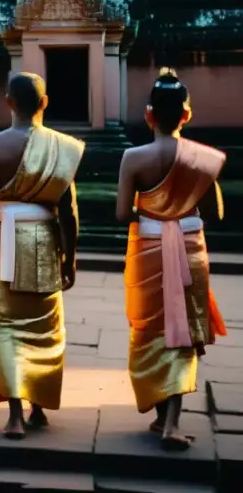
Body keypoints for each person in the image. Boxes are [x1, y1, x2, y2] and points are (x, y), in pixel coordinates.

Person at [116, 68, 227, 450]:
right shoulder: (203, 159)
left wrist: (154, 217)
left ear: (149, 115)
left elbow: (120, 214)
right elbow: (216, 214)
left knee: (150, 330)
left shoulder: (133, 157)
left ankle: (164, 416)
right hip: (189, 248)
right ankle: (171, 421)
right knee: (181, 332)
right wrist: (180, 216)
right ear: (187, 114)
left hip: (147, 251)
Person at [0, 72, 83, 440]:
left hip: (2, 238)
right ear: (44, 103)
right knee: (44, 325)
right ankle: (37, 407)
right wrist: (70, 256)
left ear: (8, 101)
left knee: (6, 324)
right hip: (47, 240)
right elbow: (68, 210)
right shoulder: (63, 146)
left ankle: (15, 415)